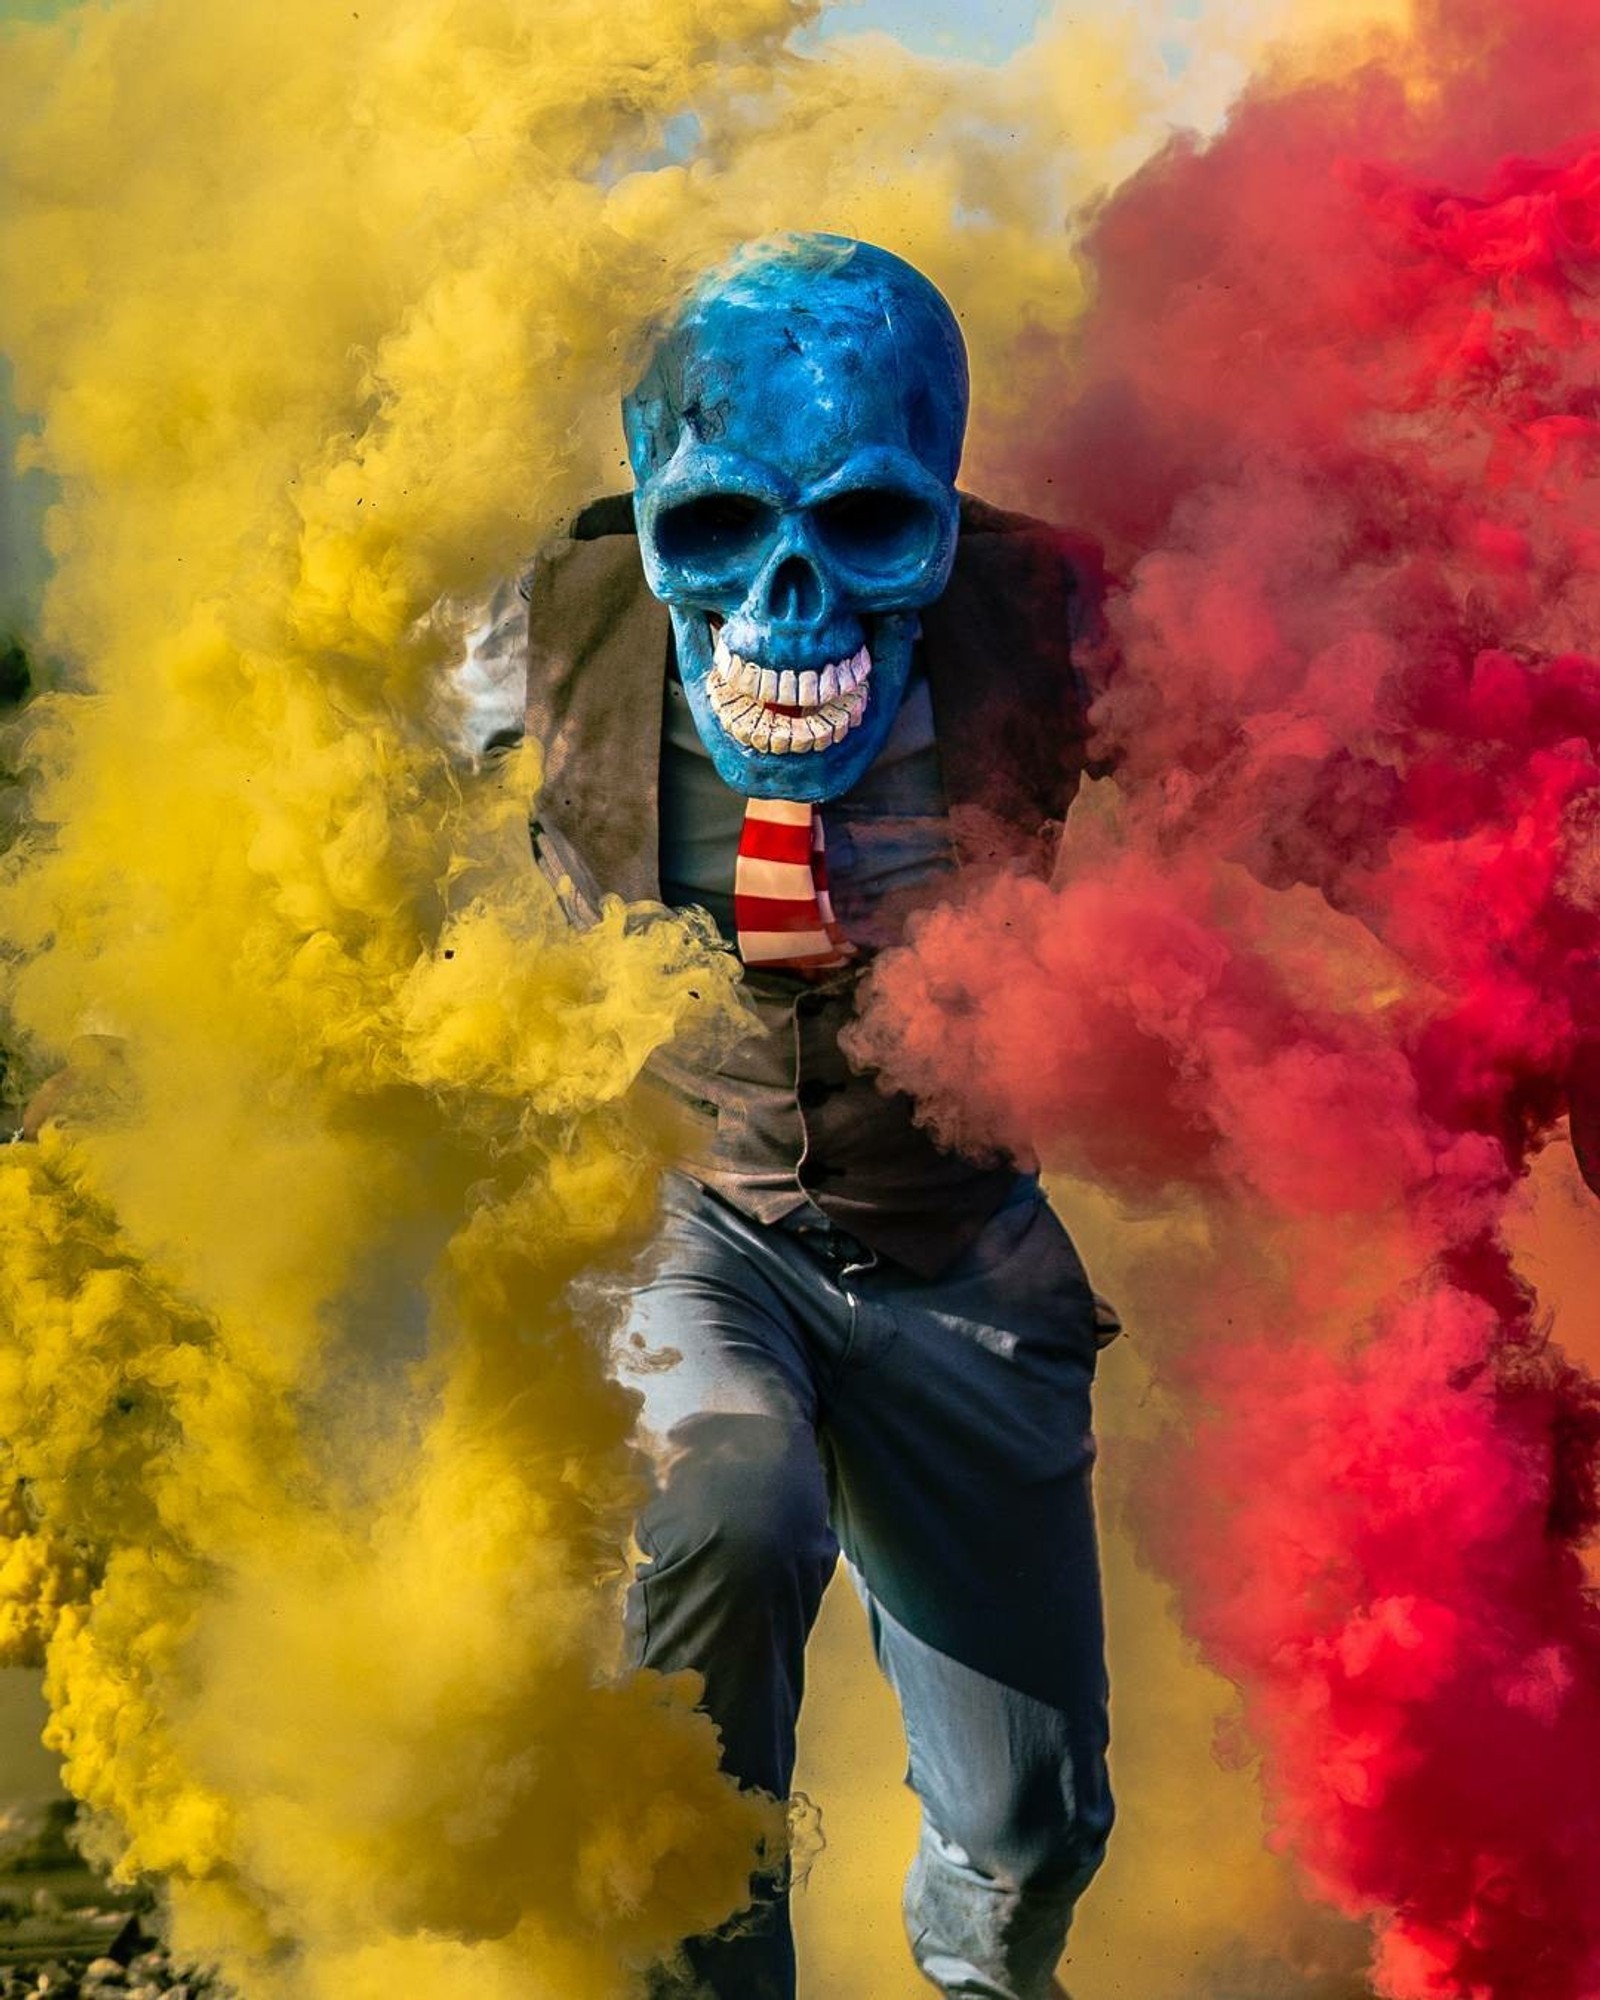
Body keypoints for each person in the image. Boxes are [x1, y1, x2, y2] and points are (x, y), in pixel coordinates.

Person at [506, 235, 1121, 2000]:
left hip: (960, 1239)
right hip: (694, 1215)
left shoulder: (1056, 619)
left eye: (862, 532)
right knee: (724, 1502)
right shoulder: (545, 627)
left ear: (941, 508)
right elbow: (285, 777)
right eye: (718, 537)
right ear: (651, 518)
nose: (786, 608)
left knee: (1030, 1834)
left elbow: (1319, 765)